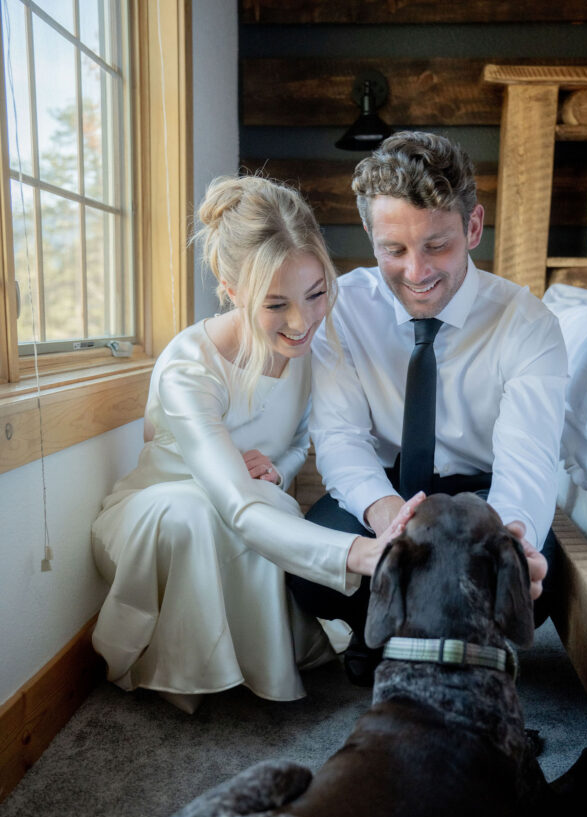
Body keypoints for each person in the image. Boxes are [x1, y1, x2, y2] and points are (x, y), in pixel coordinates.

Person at [91, 174, 423, 713]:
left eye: (316, 295)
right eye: (276, 306)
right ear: (231, 287)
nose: (302, 322)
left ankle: (259, 656)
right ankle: (182, 671)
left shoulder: (314, 345)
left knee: (268, 498)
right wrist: (360, 552)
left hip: (248, 498)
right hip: (159, 514)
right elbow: (235, 504)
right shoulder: (188, 366)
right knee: (197, 512)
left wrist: (275, 467)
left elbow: (296, 445)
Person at [287, 131, 568, 686]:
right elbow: (341, 438)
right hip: (390, 486)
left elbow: (529, 457)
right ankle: (414, 638)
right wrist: (390, 519)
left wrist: (513, 539)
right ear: (370, 235)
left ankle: (403, 642)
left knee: (539, 584)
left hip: (481, 493)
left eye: (437, 245)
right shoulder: (342, 312)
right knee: (313, 570)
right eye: (395, 250)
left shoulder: (529, 324)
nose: (417, 272)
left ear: (473, 227)